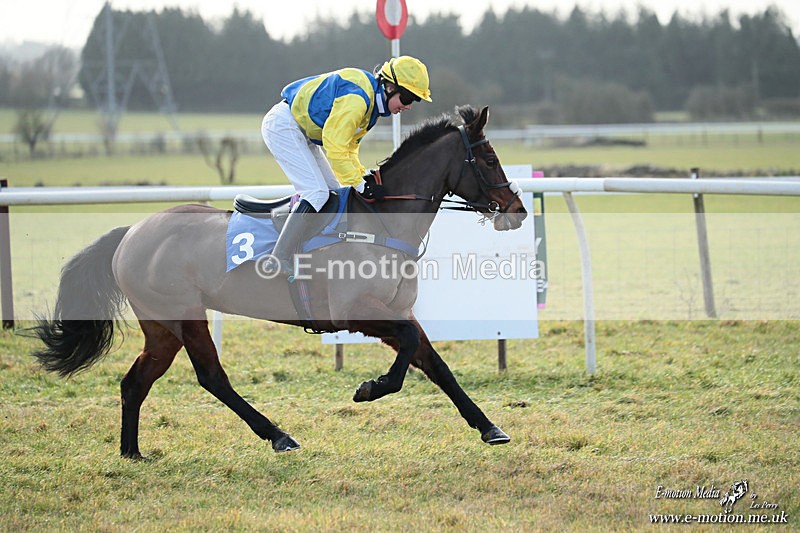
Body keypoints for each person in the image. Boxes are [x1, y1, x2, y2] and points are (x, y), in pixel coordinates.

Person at [260, 55, 432, 276]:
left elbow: (349, 149)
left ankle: (314, 251)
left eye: (414, 101)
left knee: (333, 194)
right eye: (408, 97)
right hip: (284, 125)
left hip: (305, 132)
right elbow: (336, 146)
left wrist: (362, 177)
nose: (408, 106)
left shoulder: (372, 107)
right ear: (389, 87)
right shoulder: (359, 100)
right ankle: (278, 258)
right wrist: (360, 185)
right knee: (317, 194)